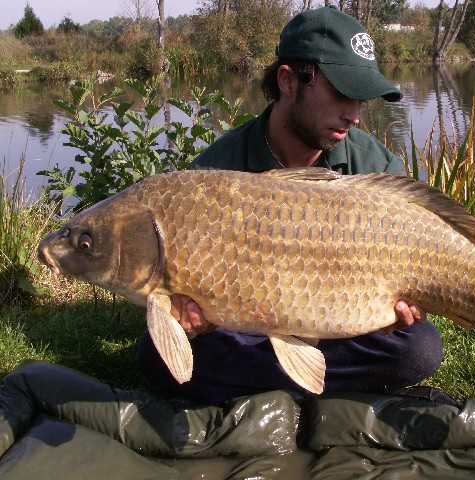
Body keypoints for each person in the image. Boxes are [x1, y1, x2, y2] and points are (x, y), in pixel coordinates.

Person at [137, 6, 447, 406]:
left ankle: (262, 387)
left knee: (418, 348)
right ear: (288, 80)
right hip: (244, 328)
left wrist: (397, 314)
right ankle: (323, 388)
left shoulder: (376, 168)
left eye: (361, 100)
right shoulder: (213, 175)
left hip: (339, 325)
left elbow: (410, 289)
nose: (354, 115)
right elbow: (178, 303)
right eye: (341, 93)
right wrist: (193, 323)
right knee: (155, 356)